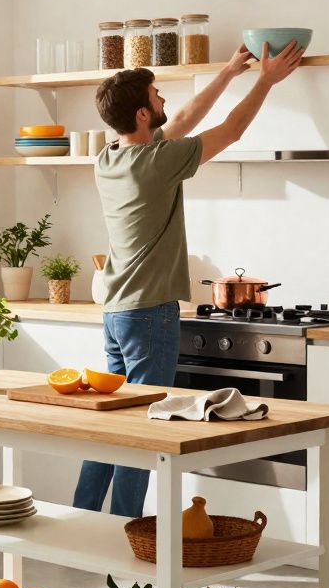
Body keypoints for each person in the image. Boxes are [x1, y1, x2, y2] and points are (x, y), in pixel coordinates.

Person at [72, 41, 306, 517]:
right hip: (150, 312)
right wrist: (266, 80)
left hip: (116, 311)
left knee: (112, 425)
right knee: (143, 429)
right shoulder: (156, 163)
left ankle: (82, 518)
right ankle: (124, 530)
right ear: (142, 114)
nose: (164, 100)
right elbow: (231, 131)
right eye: (156, 95)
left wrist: (231, 70)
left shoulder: (111, 157)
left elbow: (180, 122)